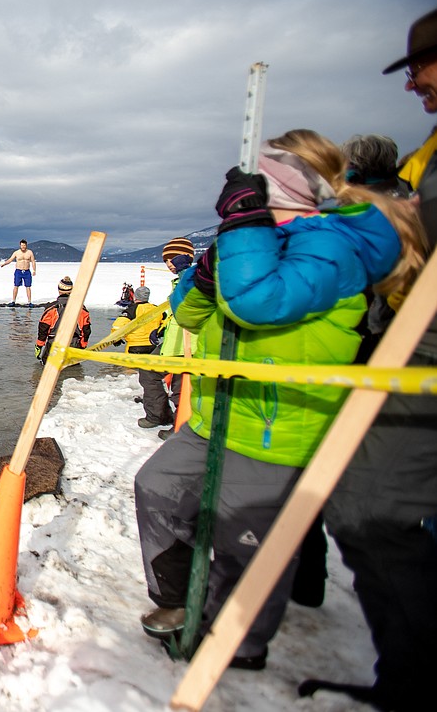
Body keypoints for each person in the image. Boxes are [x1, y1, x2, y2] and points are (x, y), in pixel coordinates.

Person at [134, 129, 421, 671]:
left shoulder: (333, 245)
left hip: (279, 424)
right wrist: (205, 273)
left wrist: (242, 231)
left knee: (246, 542)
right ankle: (178, 599)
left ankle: (237, 643)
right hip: (219, 416)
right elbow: (191, 316)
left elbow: (259, 303)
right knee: (157, 488)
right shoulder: (253, 243)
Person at [322, 7, 437, 711]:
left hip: (419, 342)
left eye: (420, 66)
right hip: (403, 333)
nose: (413, 83)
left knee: (367, 510)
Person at [156, 237, 198, 441]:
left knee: (182, 389)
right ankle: (162, 415)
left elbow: (192, 304)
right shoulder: (178, 281)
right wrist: (161, 329)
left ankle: (181, 429)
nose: (168, 264)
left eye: (172, 259)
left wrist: (185, 274)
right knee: (153, 377)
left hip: (189, 345)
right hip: (175, 342)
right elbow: (175, 311)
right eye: (166, 261)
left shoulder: (195, 278)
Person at [111, 284, 169, 428]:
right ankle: (148, 398)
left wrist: (116, 338)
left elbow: (118, 326)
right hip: (152, 346)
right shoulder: (157, 309)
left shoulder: (131, 310)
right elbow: (165, 324)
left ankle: (134, 396)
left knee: (131, 374)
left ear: (135, 297)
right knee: (150, 374)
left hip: (135, 347)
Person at [34, 276, 91, 362]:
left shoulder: (51, 308)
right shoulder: (81, 309)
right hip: (73, 345)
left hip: (54, 345)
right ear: (71, 291)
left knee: (47, 368)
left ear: (59, 290)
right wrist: (83, 345)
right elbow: (86, 329)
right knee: (73, 370)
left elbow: (43, 329)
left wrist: (39, 346)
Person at [0, 239, 36, 305]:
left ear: (26, 245)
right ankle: (13, 301)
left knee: (28, 286)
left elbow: (33, 261)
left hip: (27, 271)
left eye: (24, 245)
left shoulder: (30, 252)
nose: (23, 247)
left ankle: (29, 302)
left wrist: (34, 270)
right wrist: (4, 264)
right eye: (22, 245)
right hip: (18, 271)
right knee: (16, 286)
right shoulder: (16, 252)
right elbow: (10, 259)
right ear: (20, 245)